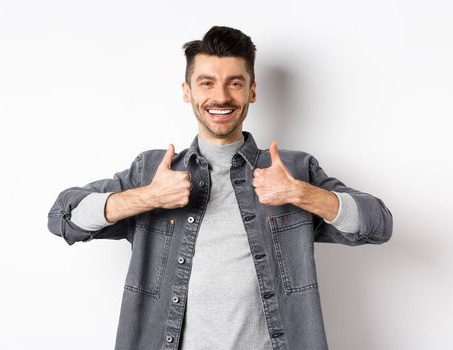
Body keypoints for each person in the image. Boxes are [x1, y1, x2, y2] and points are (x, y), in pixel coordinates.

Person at [45, 26, 393, 350]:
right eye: (207, 83)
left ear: (252, 91)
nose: (221, 96)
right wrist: (148, 196)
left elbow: (378, 224)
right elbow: (63, 216)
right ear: (188, 91)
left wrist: (300, 193)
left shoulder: (292, 171)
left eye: (235, 83)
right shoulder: (153, 172)